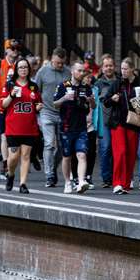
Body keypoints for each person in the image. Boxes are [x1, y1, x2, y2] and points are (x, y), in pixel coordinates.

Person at [103, 58, 140, 194]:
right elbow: (105, 101)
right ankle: (117, 183)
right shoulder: (117, 83)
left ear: (132, 69)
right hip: (118, 122)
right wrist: (112, 99)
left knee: (130, 154)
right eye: (122, 69)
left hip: (133, 122)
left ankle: (126, 183)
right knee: (121, 151)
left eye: (125, 69)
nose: (123, 71)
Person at [0, 57, 41, 193]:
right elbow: (3, 104)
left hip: (29, 126)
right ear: (16, 70)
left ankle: (23, 184)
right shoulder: (10, 84)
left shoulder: (33, 86)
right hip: (13, 126)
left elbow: (37, 104)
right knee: (13, 157)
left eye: (25, 67)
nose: (23, 70)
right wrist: (11, 95)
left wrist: (39, 107)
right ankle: (10, 174)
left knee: (26, 155)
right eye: (21, 67)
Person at [54, 61, 95, 194]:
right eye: (79, 71)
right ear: (72, 71)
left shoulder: (86, 87)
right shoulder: (63, 86)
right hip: (66, 127)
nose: (82, 73)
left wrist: (91, 100)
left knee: (82, 154)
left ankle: (81, 181)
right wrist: (64, 98)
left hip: (81, 127)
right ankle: (67, 182)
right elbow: (55, 104)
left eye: (83, 71)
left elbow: (93, 106)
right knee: (67, 157)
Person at [34, 48, 70, 187]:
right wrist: (37, 108)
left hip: (63, 113)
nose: (60, 66)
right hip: (47, 112)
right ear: (52, 59)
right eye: (57, 63)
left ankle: (53, 167)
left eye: (62, 63)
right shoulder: (43, 71)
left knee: (62, 146)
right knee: (49, 143)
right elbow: (36, 90)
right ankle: (49, 174)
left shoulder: (67, 72)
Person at [0, 39, 20, 174]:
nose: (15, 51)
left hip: (16, 105)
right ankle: (5, 164)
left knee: (15, 135)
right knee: (4, 135)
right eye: (12, 48)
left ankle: (14, 161)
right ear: (6, 50)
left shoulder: (20, 65)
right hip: (1, 105)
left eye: (17, 48)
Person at [93, 54, 117, 188]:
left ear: (114, 67)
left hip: (117, 120)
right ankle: (106, 177)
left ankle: (116, 176)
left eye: (111, 66)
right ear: (102, 68)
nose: (108, 68)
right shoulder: (98, 84)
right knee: (105, 148)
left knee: (116, 149)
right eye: (106, 66)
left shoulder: (119, 81)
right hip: (103, 121)